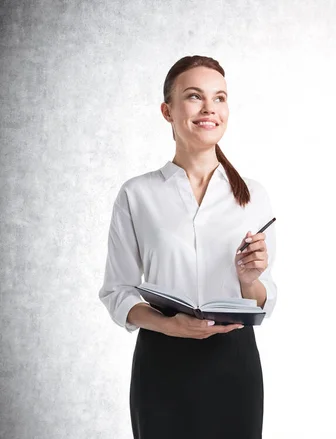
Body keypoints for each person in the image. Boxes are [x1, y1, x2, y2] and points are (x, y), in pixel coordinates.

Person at [98, 55, 277, 438]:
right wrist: (167, 325)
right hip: (162, 363)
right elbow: (117, 291)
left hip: (234, 363)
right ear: (168, 111)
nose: (209, 108)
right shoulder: (137, 194)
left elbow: (263, 298)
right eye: (194, 96)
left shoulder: (253, 196)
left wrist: (249, 279)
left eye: (220, 98)